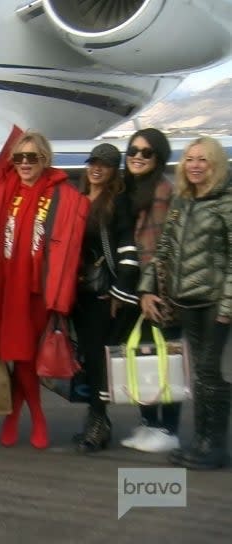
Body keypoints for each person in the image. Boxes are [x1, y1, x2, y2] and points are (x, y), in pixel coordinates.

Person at [0, 127, 89, 450]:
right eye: (19, 157)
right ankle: (24, 416)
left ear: (45, 159)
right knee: (16, 356)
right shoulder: (7, 187)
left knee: (27, 358)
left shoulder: (61, 193)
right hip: (6, 286)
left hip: (39, 291)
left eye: (32, 157)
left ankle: (27, 416)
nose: (25, 163)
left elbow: (69, 240)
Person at [139, 137, 232, 470]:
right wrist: (147, 288)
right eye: (190, 159)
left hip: (215, 301)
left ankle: (214, 446)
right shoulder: (182, 201)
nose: (194, 165)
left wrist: (226, 307)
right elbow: (163, 250)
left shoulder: (226, 204)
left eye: (202, 160)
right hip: (187, 301)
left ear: (215, 164)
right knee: (201, 373)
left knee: (208, 372)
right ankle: (202, 441)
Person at [117, 127, 184, 453]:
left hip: (159, 290)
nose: (138, 157)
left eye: (146, 152)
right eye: (133, 151)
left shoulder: (162, 190)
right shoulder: (128, 189)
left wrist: (148, 291)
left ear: (158, 157)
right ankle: (149, 424)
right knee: (142, 356)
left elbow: (160, 248)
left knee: (165, 356)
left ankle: (168, 429)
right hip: (134, 289)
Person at [70, 144, 138, 453]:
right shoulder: (78, 200)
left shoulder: (118, 203)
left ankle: (98, 422)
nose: (97, 168)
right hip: (78, 293)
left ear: (114, 171)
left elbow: (127, 248)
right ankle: (97, 421)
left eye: (105, 165)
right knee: (87, 356)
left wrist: (120, 292)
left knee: (100, 360)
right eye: (93, 163)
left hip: (103, 294)